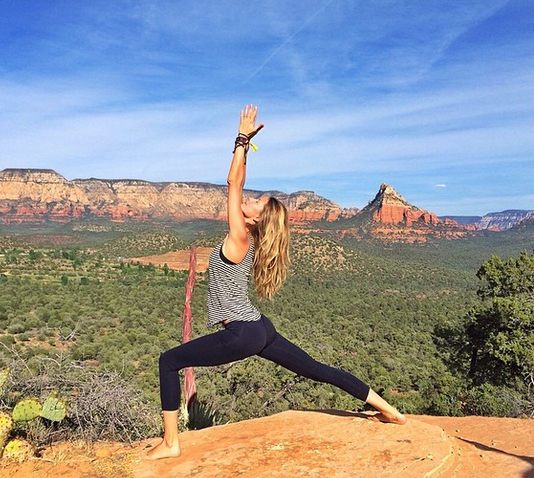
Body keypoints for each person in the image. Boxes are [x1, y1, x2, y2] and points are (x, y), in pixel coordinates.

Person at [146, 104, 406, 460]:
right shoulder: (252, 238)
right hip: (259, 328)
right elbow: (240, 184)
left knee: (168, 361)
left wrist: (240, 138)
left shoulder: (239, 236)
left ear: (254, 220)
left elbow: (232, 182)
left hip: (241, 332)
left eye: (255, 203)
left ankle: (171, 443)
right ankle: (389, 410)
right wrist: (249, 148)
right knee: (317, 370)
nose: (248, 200)